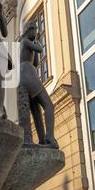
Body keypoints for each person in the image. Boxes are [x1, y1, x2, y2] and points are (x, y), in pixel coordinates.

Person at [19, 21, 58, 149]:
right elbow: (40, 49)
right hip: (27, 72)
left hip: (25, 73)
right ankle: (50, 137)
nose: (36, 33)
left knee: (36, 110)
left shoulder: (25, 43)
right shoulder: (24, 41)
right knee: (48, 105)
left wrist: (35, 45)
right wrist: (39, 43)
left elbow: (35, 62)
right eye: (35, 30)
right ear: (29, 30)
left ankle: (42, 140)